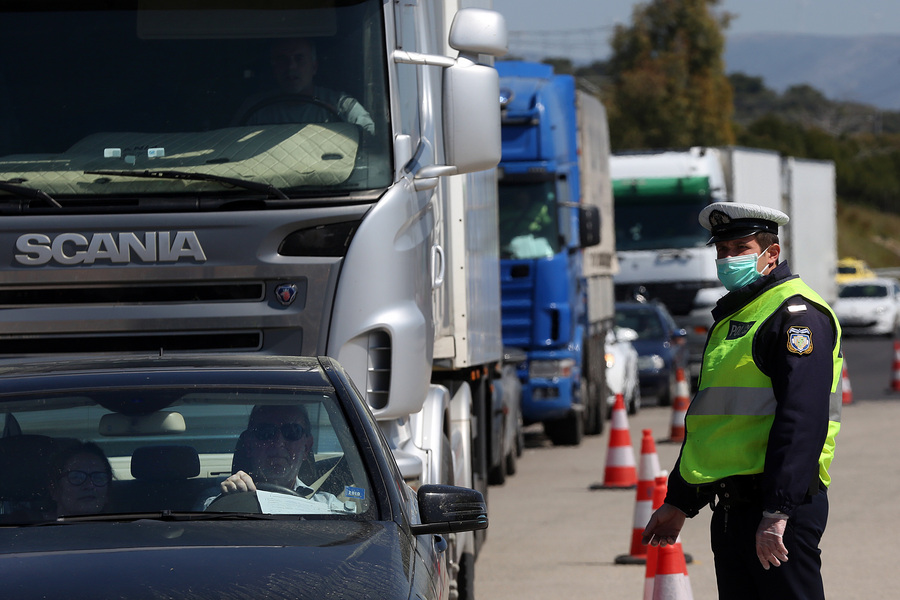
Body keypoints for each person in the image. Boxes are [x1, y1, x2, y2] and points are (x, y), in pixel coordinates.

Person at [641, 202, 843, 600]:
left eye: (740, 248)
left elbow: (802, 421)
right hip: (733, 507)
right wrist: (680, 502)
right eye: (722, 250)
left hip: (778, 508)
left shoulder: (795, 317)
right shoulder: (740, 313)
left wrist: (777, 513)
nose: (728, 259)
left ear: (772, 254)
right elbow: (718, 427)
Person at [210, 404, 350, 512]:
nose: (278, 443)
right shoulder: (219, 501)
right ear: (248, 446)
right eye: (265, 433)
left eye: (292, 432)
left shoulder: (327, 507)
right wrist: (228, 502)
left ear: (306, 448)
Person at [237, 37, 375, 135]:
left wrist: (342, 127)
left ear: (314, 67)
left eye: (299, 58)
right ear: (274, 69)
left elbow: (370, 137)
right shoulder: (255, 110)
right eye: (282, 60)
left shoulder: (341, 105)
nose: (291, 67)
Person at [50, 441, 113, 518]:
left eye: (98, 478)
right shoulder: (36, 529)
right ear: (54, 489)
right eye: (76, 477)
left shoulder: (123, 529)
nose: (89, 485)